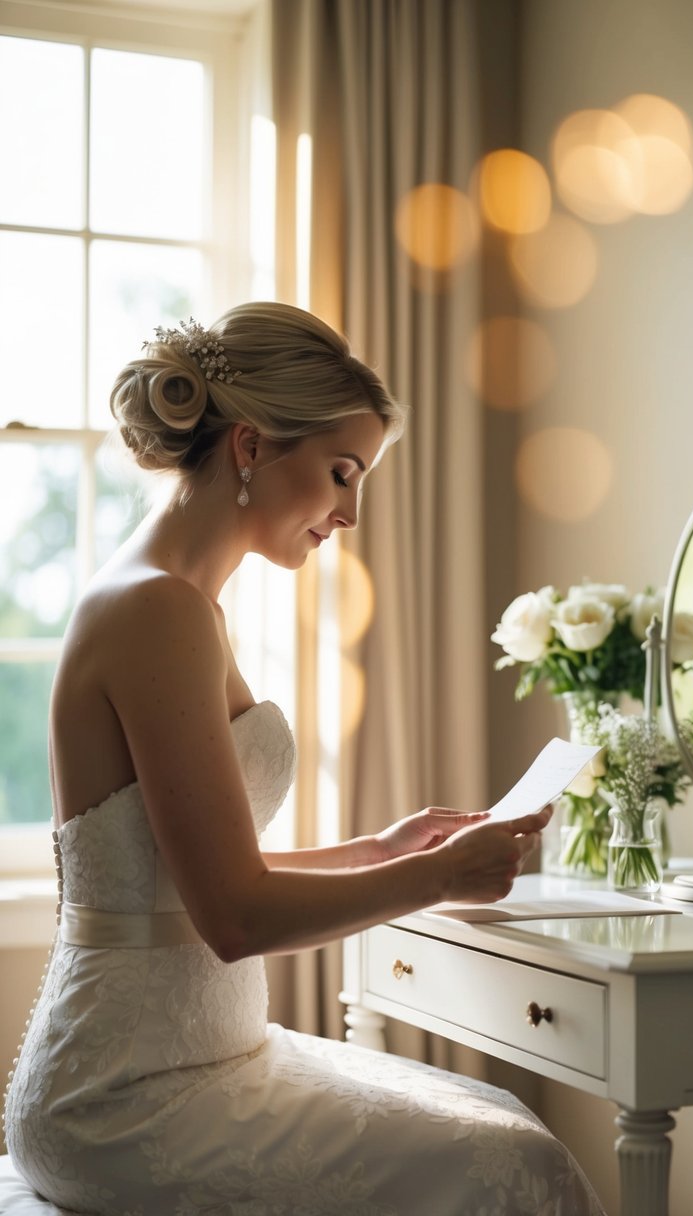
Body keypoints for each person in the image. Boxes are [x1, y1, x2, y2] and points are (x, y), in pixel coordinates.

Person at [3, 302, 605, 1215]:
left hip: (200, 1057)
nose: (351, 513)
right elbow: (234, 916)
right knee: (511, 1162)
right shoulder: (156, 610)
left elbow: (175, 873)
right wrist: (438, 877)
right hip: (128, 1097)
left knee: (495, 1117)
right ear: (249, 447)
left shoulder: (178, 603)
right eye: (340, 473)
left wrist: (379, 851)